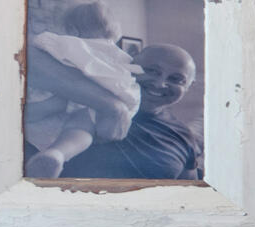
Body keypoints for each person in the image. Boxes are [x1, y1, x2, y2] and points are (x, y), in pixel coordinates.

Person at [24, 0, 140, 178]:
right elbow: (130, 75)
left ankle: (30, 127)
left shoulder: (67, 43)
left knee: (36, 112)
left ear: (72, 28)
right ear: (114, 31)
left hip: (63, 93)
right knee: (79, 131)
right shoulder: (119, 55)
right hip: (99, 100)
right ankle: (56, 154)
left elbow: (38, 46)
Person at [78, 43, 203, 181]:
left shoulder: (184, 137)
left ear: (188, 86)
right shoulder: (85, 99)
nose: (159, 83)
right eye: (152, 71)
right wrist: (112, 107)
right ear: (130, 63)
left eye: (175, 79)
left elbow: (187, 193)